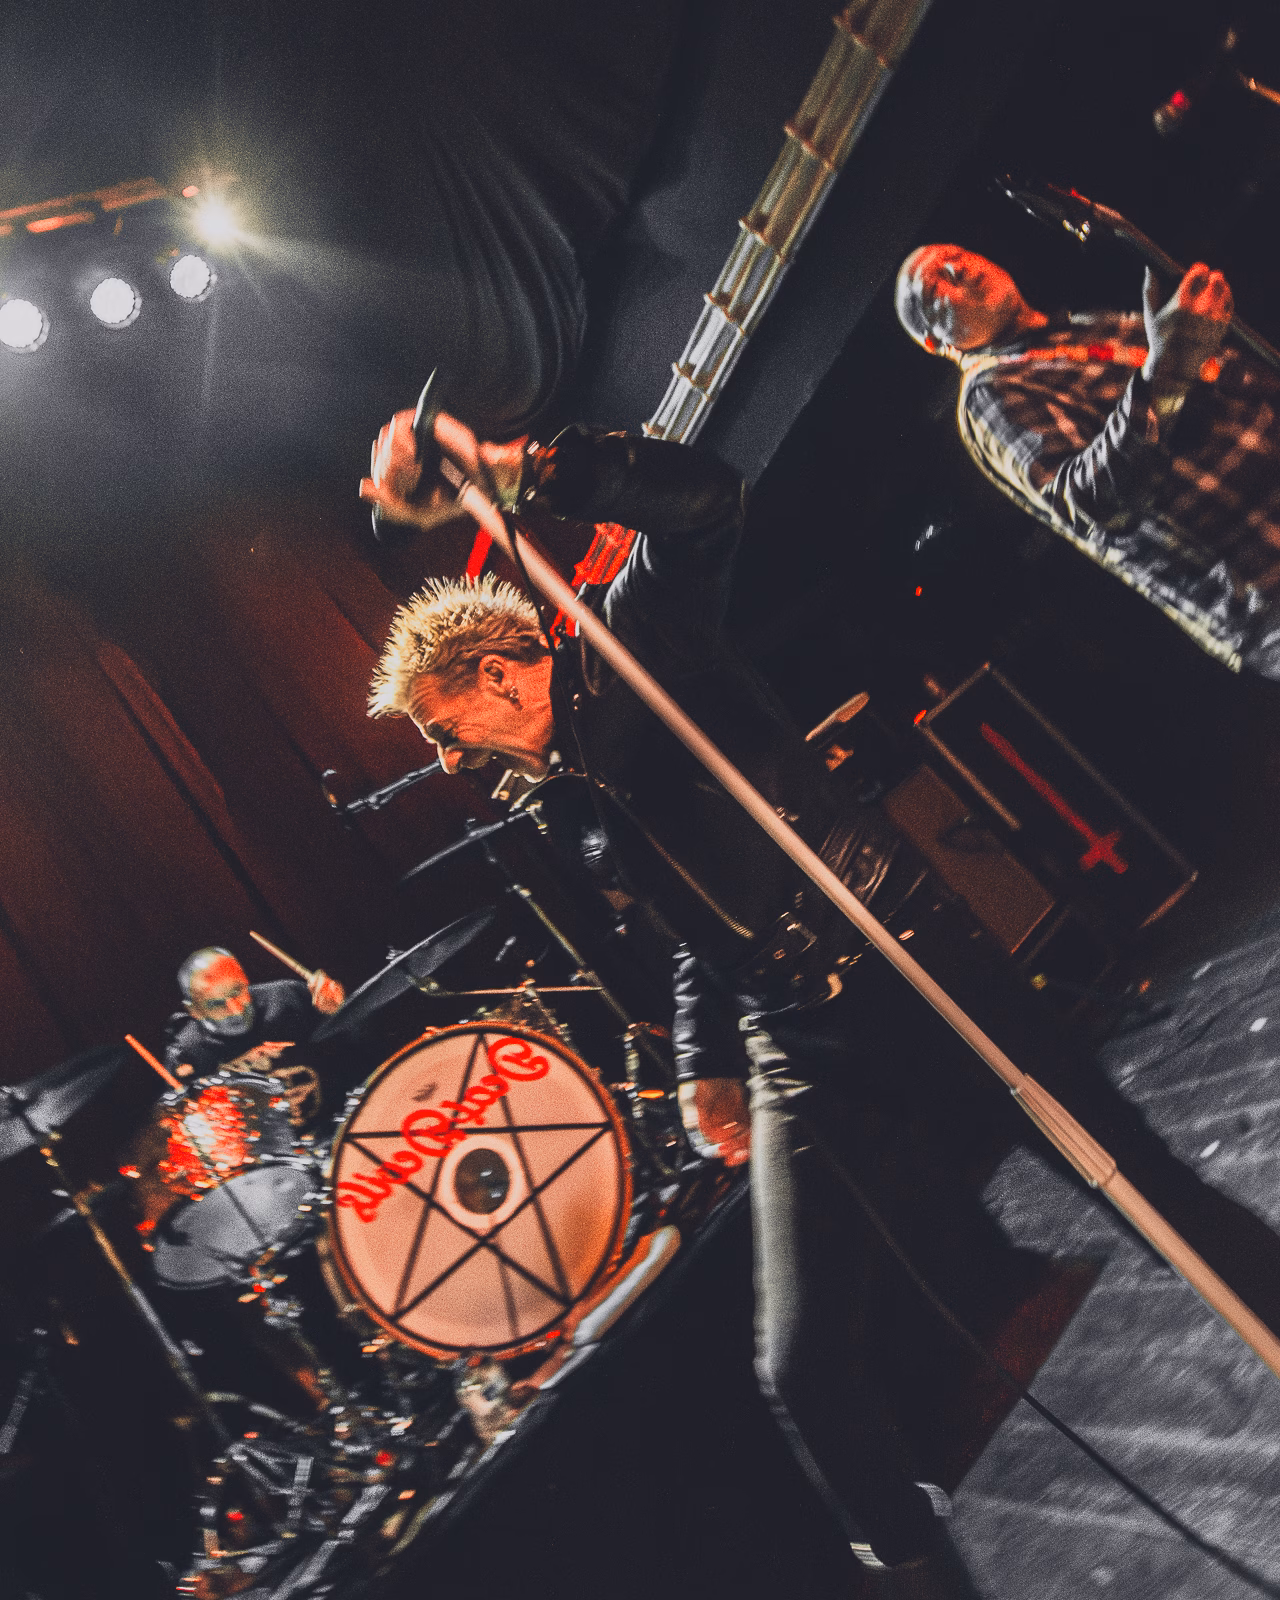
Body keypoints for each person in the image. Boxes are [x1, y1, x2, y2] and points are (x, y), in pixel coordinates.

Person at [360, 410, 990, 1597]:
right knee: (799, 1364)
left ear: (494, 672)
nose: (444, 760)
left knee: (1127, 1170)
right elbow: (696, 922)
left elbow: (706, 504)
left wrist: (522, 470)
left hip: (891, 952)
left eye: (443, 729)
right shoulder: (552, 801)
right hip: (788, 1031)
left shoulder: (633, 646)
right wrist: (704, 1057)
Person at [894, 243, 1280, 677]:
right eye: (935, 287)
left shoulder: (1082, 326)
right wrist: (1167, 369)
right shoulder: (987, 394)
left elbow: (1221, 372)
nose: (955, 268)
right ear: (936, 343)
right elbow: (1094, 502)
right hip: (1261, 573)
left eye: (956, 255)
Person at [163, 946, 345, 1089]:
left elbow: (351, 1047)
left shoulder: (288, 997)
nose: (236, 1010)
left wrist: (339, 1011)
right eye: (217, 1004)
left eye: (237, 990)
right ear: (194, 1011)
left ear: (245, 978)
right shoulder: (187, 1054)